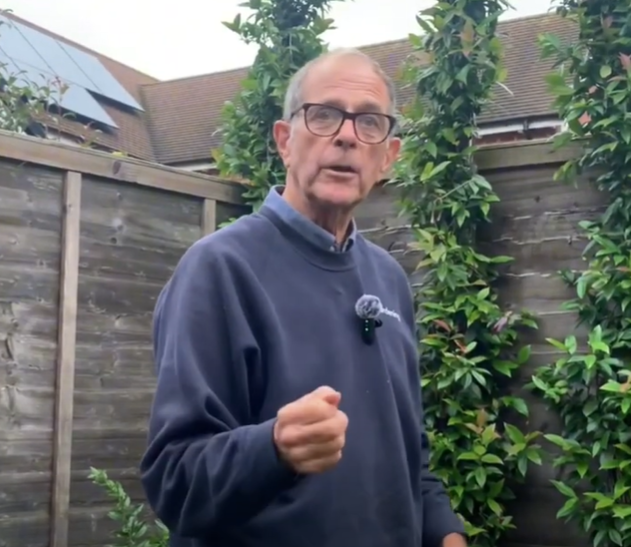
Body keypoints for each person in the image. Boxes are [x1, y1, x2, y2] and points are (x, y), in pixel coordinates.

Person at [139, 48, 468, 547]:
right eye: (324, 114)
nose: (346, 135)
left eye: (369, 122)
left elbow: (407, 453)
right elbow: (174, 482)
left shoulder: (389, 278)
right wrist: (271, 448)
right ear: (285, 141)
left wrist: (444, 532)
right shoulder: (221, 269)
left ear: (388, 157)